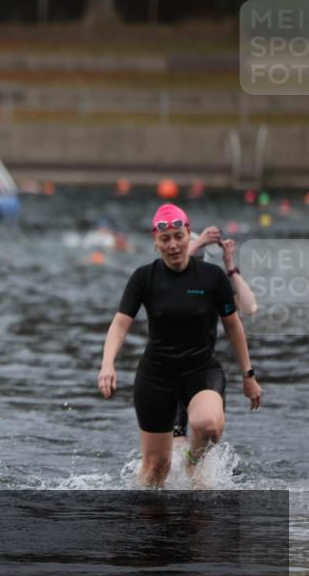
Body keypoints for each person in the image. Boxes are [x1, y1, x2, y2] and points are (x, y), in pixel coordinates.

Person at [98, 204, 262, 487]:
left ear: (189, 234)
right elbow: (121, 323)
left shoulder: (212, 277)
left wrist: (248, 376)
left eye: (178, 236)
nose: (173, 245)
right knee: (155, 470)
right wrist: (107, 365)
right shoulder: (143, 278)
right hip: (156, 376)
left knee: (209, 425)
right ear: (155, 242)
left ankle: (192, 462)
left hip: (201, 370)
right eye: (165, 239)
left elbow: (233, 325)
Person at [172, 225, 259, 438]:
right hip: (167, 370)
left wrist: (230, 265)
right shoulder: (163, 283)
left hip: (202, 371)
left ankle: (196, 468)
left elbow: (250, 307)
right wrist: (200, 242)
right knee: (175, 439)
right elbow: (170, 273)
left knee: (208, 436)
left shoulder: (209, 283)